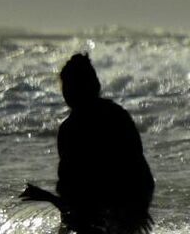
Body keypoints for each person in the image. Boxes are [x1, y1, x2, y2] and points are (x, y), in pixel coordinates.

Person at [20, 54, 154, 234]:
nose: (67, 91)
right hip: (124, 211)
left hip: (109, 215)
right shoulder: (117, 115)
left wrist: (48, 197)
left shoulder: (73, 128)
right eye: (65, 86)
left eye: (70, 86)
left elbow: (76, 199)